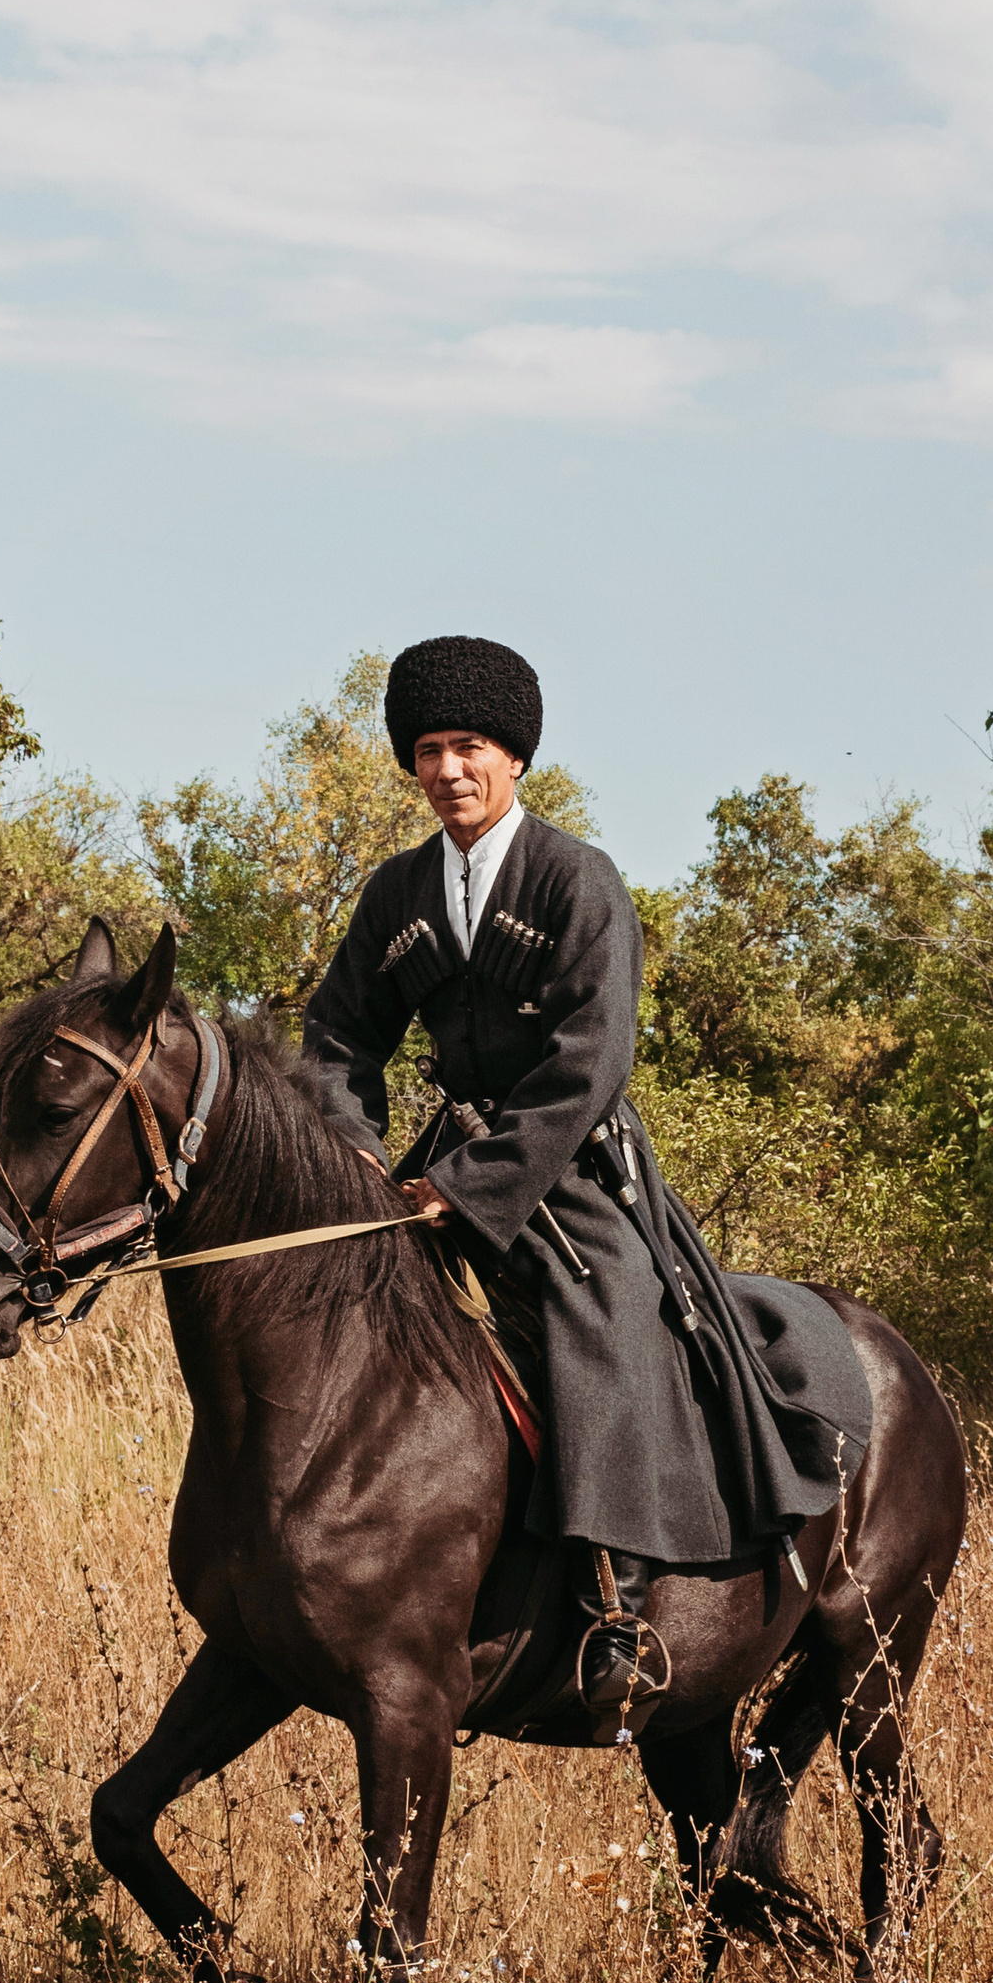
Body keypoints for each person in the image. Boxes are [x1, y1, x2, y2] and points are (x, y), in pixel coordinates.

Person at [298, 633, 747, 1738]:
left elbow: (592, 1060)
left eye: (470, 746)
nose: (448, 770)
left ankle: (618, 1605)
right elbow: (339, 1035)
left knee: (606, 1318)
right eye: (428, 750)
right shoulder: (397, 891)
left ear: (515, 757)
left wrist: (469, 1188)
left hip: (569, 1168)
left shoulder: (576, 878)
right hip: (432, 1160)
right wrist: (356, 1157)